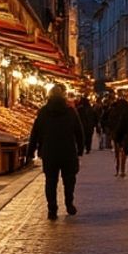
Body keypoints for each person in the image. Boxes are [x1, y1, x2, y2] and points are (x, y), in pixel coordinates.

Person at [27, 83, 85, 220]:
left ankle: (52, 209)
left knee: (51, 181)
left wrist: (31, 151)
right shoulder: (70, 111)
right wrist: (81, 149)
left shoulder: (43, 112)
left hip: (49, 152)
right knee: (69, 180)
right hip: (68, 151)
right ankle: (69, 203)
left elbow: (35, 132)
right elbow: (79, 131)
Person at [105, 97, 128, 177]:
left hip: (116, 134)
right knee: (124, 153)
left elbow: (109, 122)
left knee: (117, 153)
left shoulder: (113, 111)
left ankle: (117, 170)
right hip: (125, 135)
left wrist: (111, 131)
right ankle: (122, 170)